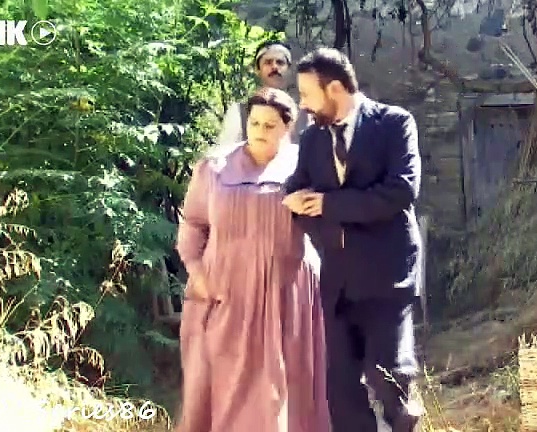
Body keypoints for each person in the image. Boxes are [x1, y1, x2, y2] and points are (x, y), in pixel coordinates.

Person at [282, 47, 424, 432]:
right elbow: (297, 189)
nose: (302, 104)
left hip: (387, 274)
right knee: (341, 391)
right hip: (337, 279)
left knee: (388, 374)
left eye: (307, 94)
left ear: (335, 89)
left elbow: (401, 191)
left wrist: (329, 205)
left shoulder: (395, 123)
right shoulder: (312, 139)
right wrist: (295, 201)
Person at [175, 87, 329, 432]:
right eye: (255, 123)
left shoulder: (306, 168)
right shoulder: (215, 168)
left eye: (270, 125)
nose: (260, 131)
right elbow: (193, 224)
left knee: (279, 391)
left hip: (286, 292)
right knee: (224, 384)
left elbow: (330, 222)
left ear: (287, 127)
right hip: (224, 293)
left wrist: (313, 205)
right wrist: (198, 273)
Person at [216, 40, 309, 149]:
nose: (274, 67)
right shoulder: (240, 112)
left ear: (289, 69)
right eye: (268, 62)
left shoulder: (306, 114)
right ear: (257, 69)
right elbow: (225, 154)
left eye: (280, 62)